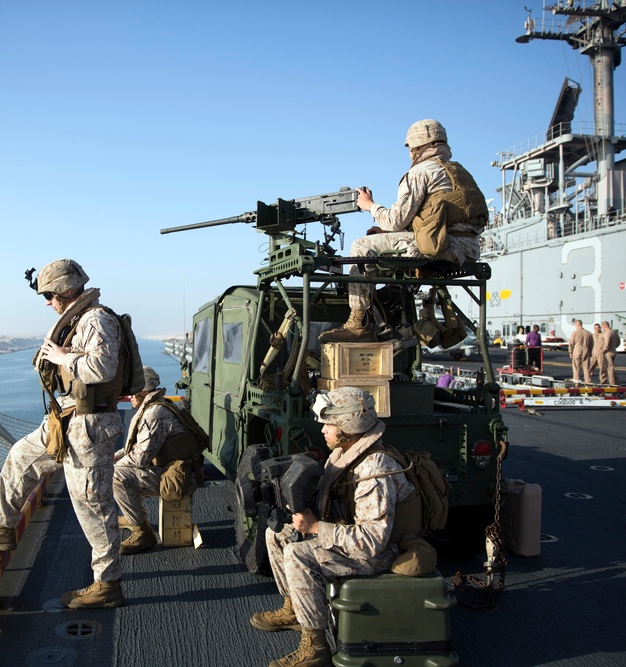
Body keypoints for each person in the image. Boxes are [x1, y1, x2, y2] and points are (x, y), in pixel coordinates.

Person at [0, 258, 127, 609]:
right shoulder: (79, 319)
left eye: (49, 296)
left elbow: (102, 368)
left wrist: (64, 357)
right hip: (67, 421)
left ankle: (107, 585)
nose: (48, 303)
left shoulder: (96, 319)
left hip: (89, 427)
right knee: (21, 457)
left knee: (92, 505)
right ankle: (2, 527)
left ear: (66, 291)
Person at [249, 387, 418, 667]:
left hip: (384, 552)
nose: (324, 430)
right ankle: (295, 608)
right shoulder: (345, 452)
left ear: (348, 425)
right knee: (277, 533)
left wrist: (316, 529)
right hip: (352, 534)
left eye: (329, 424)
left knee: (299, 555)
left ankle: (315, 648)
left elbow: (373, 541)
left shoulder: (374, 470)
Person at [319, 119, 487, 343]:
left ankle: (358, 323)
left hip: (440, 246)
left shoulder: (420, 172)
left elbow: (394, 221)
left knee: (361, 246)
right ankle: (390, 317)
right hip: (468, 248)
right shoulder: (460, 173)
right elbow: (435, 217)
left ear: (416, 147)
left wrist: (369, 205)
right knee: (383, 246)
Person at [113, 366, 204, 555]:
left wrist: (112, 466)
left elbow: (140, 458)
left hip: (182, 478)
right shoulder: (157, 405)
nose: (129, 396)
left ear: (142, 390)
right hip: (175, 469)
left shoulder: (154, 415)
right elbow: (134, 448)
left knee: (117, 476)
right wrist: (113, 458)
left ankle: (143, 533)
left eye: (132, 391)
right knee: (119, 469)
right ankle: (133, 518)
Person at [568, 320, 594, 384]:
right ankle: (588, 382)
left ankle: (576, 382)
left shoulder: (575, 333)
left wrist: (570, 352)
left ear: (576, 325)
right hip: (586, 350)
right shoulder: (589, 333)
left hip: (577, 349)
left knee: (576, 368)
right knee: (587, 368)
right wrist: (590, 352)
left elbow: (571, 343)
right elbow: (592, 344)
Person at [600, 321, 620, 385]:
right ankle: (616, 381)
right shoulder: (614, 332)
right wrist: (614, 347)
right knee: (611, 366)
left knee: (609, 367)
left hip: (608, 352)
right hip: (613, 350)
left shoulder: (607, 333)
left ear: (605, 326)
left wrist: (604, 350)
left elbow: (606, 343)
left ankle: (612, 382)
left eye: (602, 327)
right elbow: (618, 342)